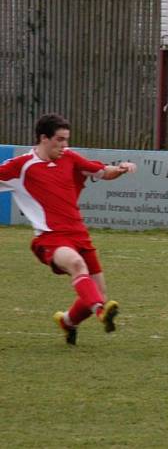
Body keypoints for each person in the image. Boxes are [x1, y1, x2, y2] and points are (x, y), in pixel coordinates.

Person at [0, 113, 137, 345]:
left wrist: (121, 169)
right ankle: (100, 311)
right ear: (44, 138)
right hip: (50, 238)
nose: (65, 145)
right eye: (60, 140)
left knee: (97, 292)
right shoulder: (21, 166)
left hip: (79, 235)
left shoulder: (70, 158)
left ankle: (67, 321)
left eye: (67, 140)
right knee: (76, 265)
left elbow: (103, 172)